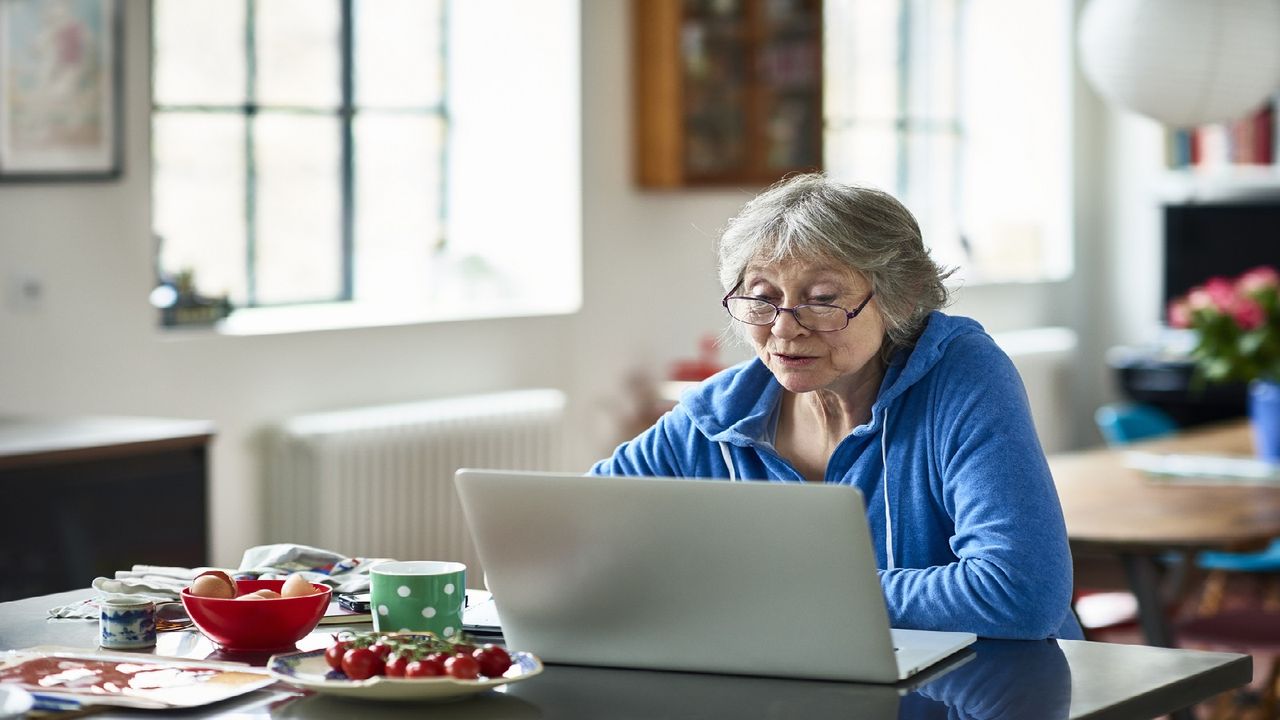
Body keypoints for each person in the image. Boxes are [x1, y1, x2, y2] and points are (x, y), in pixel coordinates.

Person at [591, 173, 1082, 641]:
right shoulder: (720, 413)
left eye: (822, 299)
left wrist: (775, 592)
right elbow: (578, 528)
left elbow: (1019, 592)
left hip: (991, 692)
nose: (785, 328)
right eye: (762, 299)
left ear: (902, 297)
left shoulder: (961, 377)